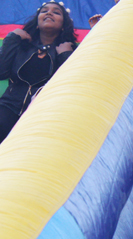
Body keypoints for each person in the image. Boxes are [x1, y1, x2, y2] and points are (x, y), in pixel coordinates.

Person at [0, 0, 77, 144]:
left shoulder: (70, 50)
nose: (49, 13)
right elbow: (1, 72)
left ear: (63, 25)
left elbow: (72, 85)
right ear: (37, 22)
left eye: (56, 12)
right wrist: (12, 39)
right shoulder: (20, 45)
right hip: (7, 108)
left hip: (43, 115)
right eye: (44, 11)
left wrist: (65, 55)